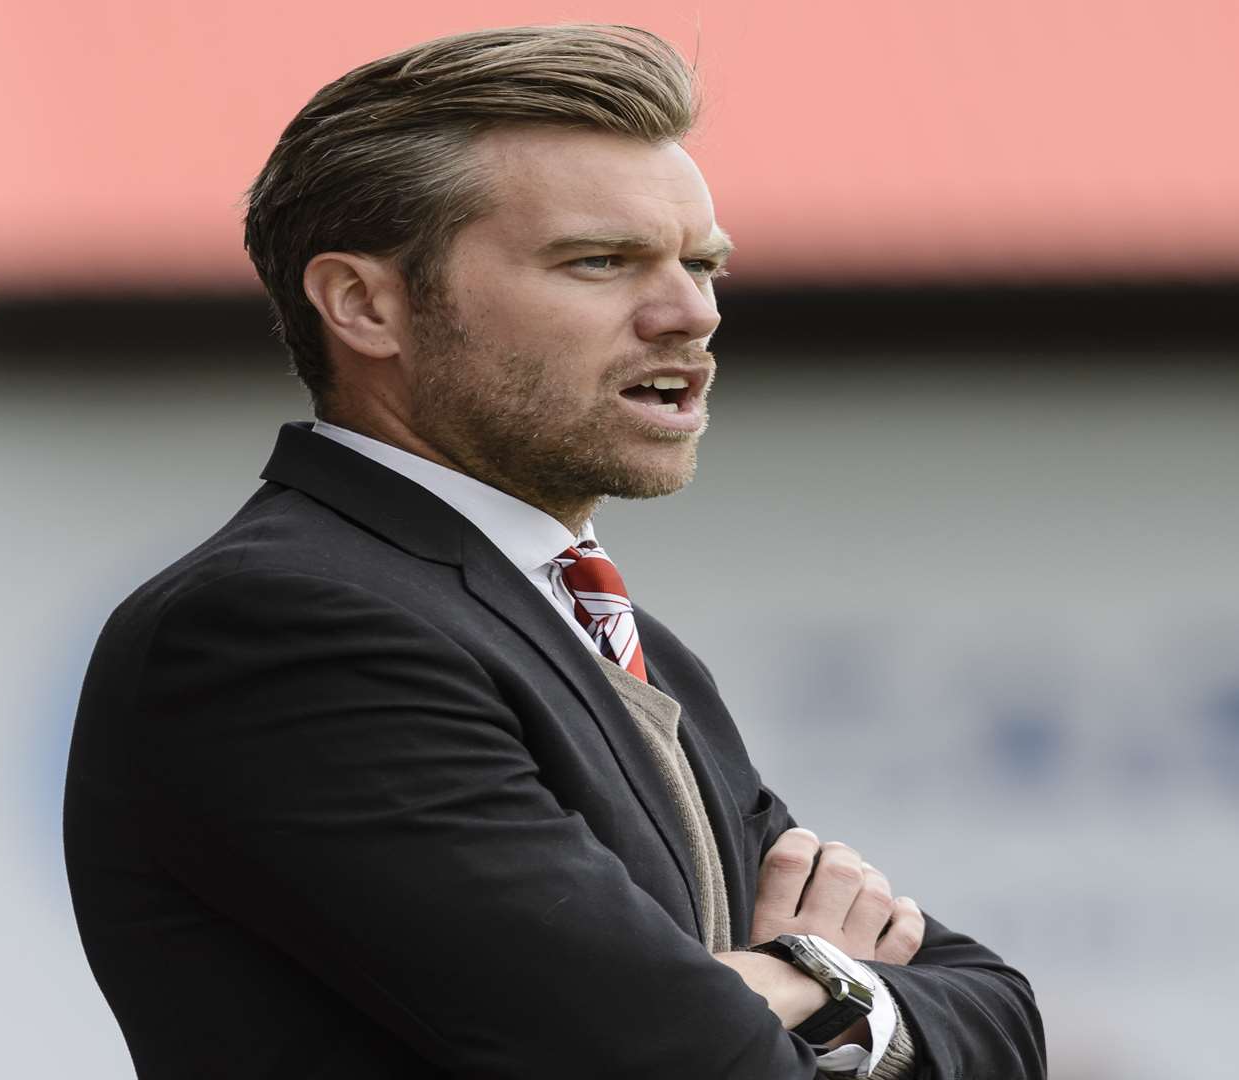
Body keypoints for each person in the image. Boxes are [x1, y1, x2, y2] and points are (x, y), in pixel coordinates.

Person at [65, 24, 1044, 1079]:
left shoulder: (619, 636)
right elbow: (675, 1059)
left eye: (701, 264)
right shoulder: (279, 626)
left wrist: (798, 980)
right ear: (364, 305)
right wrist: (828, 986)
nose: (691, 314)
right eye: (601, 262)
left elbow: (1000, 1018)